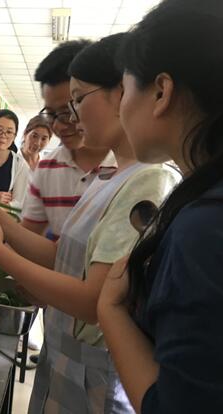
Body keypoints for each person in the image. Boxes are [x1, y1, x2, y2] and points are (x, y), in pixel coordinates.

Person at [0, 33, 179, 413]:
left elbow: (93, 300)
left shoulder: (150, 180)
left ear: (123, 91)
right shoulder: (109, 176)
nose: (71, 117)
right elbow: (62, 256)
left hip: (98, 374)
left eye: (78, 99)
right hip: (64, 358)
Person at [97, 1, 223, 412]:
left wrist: (110, 308)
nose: (121, 108)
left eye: (124, 90)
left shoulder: (201, 228)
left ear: (161, 92)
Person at [22, 40, 117, 241]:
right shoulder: (47, 168)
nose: (59, 126)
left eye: (68, 111)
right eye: (50, 114)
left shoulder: (134, 168)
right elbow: (28, 237)